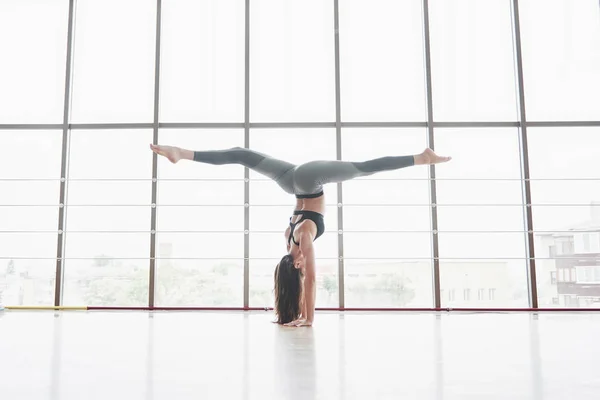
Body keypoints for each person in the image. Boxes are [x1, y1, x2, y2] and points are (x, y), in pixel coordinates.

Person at [150, 144, 451, 327]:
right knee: (240, 154)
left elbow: (311, 280)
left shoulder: (304, 237)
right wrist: (298, 312)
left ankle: (421, 158)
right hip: (291, 183)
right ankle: (182, 153)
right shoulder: (289, 239)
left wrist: (309, 318)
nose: (305, 267)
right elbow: (298, 280)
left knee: (363, 169)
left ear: (295, 264)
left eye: (301, 267)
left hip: (308, 179)